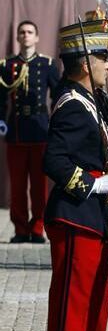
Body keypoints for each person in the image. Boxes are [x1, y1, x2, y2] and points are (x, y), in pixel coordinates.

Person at [43, 16, 108, 331]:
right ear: (87, 64)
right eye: (104, 57)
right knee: (74, 303)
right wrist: (93, 185)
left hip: (94, 218)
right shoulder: (73, 105)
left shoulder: (93, 101)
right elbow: (54, 160)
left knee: (93, 302)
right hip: (77, 216)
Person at [0, 21, 60, 243]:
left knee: (39, 185)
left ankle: (37, 228)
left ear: (36, 37)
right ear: (17, 38)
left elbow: (58, 95)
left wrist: (57, 122)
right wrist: (0, 120)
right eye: (22, 32)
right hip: (15, 130)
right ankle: (20, 229)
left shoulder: (48, 65)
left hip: (40, 130)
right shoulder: (7, 65)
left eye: (30, 32)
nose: (25, 36)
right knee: (17, 186)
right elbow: (0, 97)